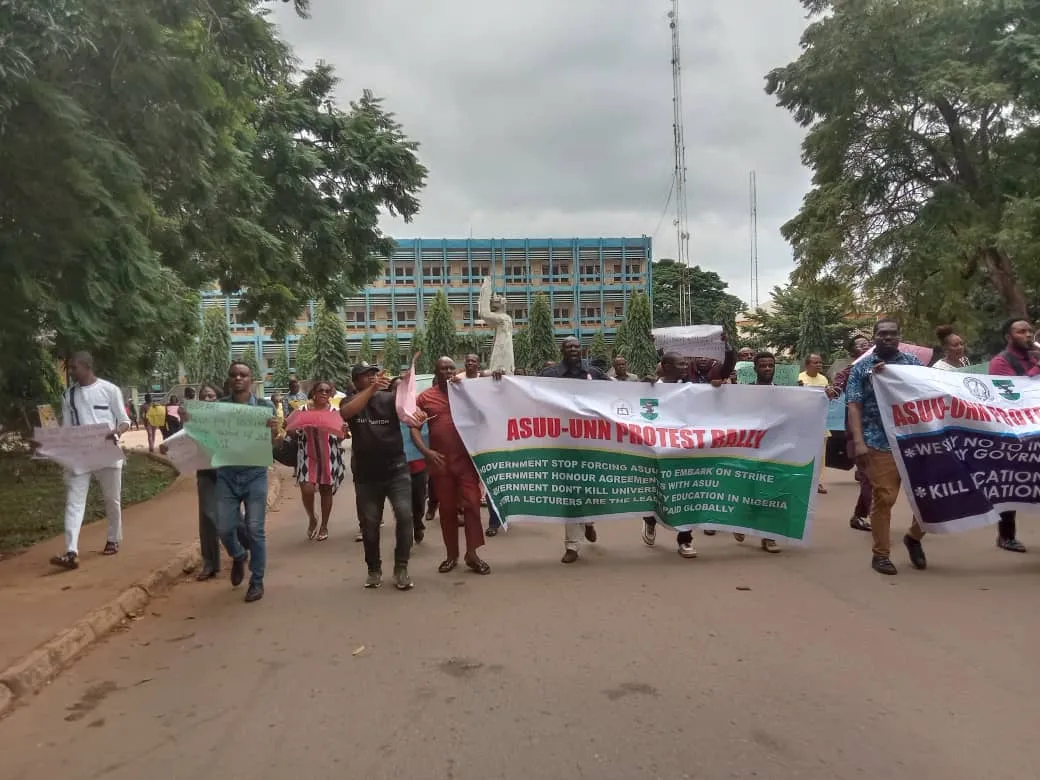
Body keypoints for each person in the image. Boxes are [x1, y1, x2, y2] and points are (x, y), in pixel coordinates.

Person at [846, 319, 926, 576]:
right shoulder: (861, 368)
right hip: (878, 440)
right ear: (874, 337)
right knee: (885, 497)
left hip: (913, 438)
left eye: (893, 334)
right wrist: (859, 441)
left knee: (929, 497)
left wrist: (894, 379)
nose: (888, 338)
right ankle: (881, 555)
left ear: (899, 337)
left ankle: (914, 537)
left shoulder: (913, 364)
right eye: (883, 334)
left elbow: (927, 394)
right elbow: (854, 405)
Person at [339, 362, 422, 590]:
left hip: (396, 469)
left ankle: (401, 567)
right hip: (367, 475)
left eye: (374, 374)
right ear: (356, 382)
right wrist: (371, 390)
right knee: (370, 524)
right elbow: (346, 413)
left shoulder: (390, 399)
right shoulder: (349, 402)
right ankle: (374, 569)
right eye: (366, 376)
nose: (373, 377)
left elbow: (408, 409)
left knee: (405, 516)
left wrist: (414, 407)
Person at [48, 352, 132, 570]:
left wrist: (116, 432)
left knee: (112, 499)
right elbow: (67, 429)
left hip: (106, 451)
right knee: (74, 502)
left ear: (87, 367)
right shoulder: (68, 396)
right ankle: (71, 551)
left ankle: (113, 539)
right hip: (81, 454)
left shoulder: (110, 390)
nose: (71, 372)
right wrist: (50, 440)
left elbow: (125, 421)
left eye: (74, 367)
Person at [640, 351, 727, 557]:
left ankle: (685, 540)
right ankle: (650, 520)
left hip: (684, 450)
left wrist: (716, 389)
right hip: (656, 450)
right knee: (656, 492)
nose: (685, 367)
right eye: (680, 364)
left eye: (685, 363)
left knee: (686, 493)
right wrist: (641, 387)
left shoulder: (692, 388)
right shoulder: (649, 387)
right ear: (666, 366)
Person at [414, 357, 492, 575]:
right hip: (441, 464)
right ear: (435, 372)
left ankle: (472, 554)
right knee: (447, 511)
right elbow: (413, 426)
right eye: (443, 368)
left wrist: (497, 377)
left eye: (451, 368)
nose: (448, 371)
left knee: (473, 505)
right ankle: (451, 555)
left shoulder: (467, 391)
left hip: (467, 461)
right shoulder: (425, 398)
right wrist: (426, 451)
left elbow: (493, 401)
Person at [536, 336, 610, 563]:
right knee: (570, 492)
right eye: (568, 346)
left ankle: (588, 522)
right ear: (562, 350)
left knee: (589, 488)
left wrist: (649, 384)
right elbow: (526, 390)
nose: (573, 349)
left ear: (582, 350)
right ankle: (572, 545)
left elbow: (621, 391)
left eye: (576, 346)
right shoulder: (550, 376)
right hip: (564, 441)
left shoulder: (595, 374)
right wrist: (499, 379)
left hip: (591, 442)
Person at [213, 361, 280, 602]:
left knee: (255, 529)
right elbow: (206, 435)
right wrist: (189, 418)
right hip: (227, 474)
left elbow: (272, 445)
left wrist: (272, 431)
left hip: (255, 474)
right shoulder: (218, 408)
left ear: (251, 379)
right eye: (234, 375)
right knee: (223, 527)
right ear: (229, 379)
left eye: (243, 375)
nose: (238, 379)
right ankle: (239, 555)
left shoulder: (264, 407)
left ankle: (257, 581)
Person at [160, 383, 241, 580]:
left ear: (218, 398)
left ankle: (240, 550)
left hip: (226, 470)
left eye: (211, 396)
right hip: (205, 470)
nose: (207, 399)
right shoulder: (193, 415)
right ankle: (210, 563)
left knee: (230, 516)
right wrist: (167, 444)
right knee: (207, 517)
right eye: (203, 396)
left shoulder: (226, 415)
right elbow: (188, 433)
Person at [986, 318, 1038, 553]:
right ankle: (1006, 536)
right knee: (1012, 483)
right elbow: (1012, 392)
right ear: (1009, 336)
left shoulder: (1034, 357)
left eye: (1029, 331)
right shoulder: (1000, 362)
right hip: (1014, 433)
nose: (1027, 335)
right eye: (1021, 331)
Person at [731, 352, 782, 554]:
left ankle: (769, 536)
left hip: (775, 448)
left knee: (770, 491)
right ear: (755, 369)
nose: (768, 369)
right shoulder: (747, 392)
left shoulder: (784, 392)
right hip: (750, 448)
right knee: (747, 489)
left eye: (771, 365)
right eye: (763, 366)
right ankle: (739, 523)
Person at [289, 380, 345, 542]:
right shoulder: (302, 410)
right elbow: (291, 432)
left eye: (328, 391)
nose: (324, 393)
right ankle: (312, 517)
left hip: (330, 456)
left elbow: (341, 438)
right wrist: (291, 428)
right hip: (307, 456)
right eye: (321, 390)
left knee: (326, 490)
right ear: (313, 392)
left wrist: (344, 432)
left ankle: (324, 525)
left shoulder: (335, 411)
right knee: (307, 489)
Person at [833, 335, 873, 532]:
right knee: (869, 475)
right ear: (852, 352)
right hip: (858, 430)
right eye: (860, 344)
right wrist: (830, 391)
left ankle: (858, 515)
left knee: (875, 476)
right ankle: (878, 515)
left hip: (881, 429)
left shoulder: (883, 368)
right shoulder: (847, 373)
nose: (865, 345)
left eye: (867, 342)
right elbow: (836, 388)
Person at [798, 353, 839, 495]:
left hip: (821, 422)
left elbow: (829, 398)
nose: (819, 365)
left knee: (821, 455)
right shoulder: (800, 378)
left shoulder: (823, 379)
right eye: (816, 363)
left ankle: (818, 482)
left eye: (820, 363)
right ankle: (802, 480)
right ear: (808, 364)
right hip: (803, 423)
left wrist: (830, 393)